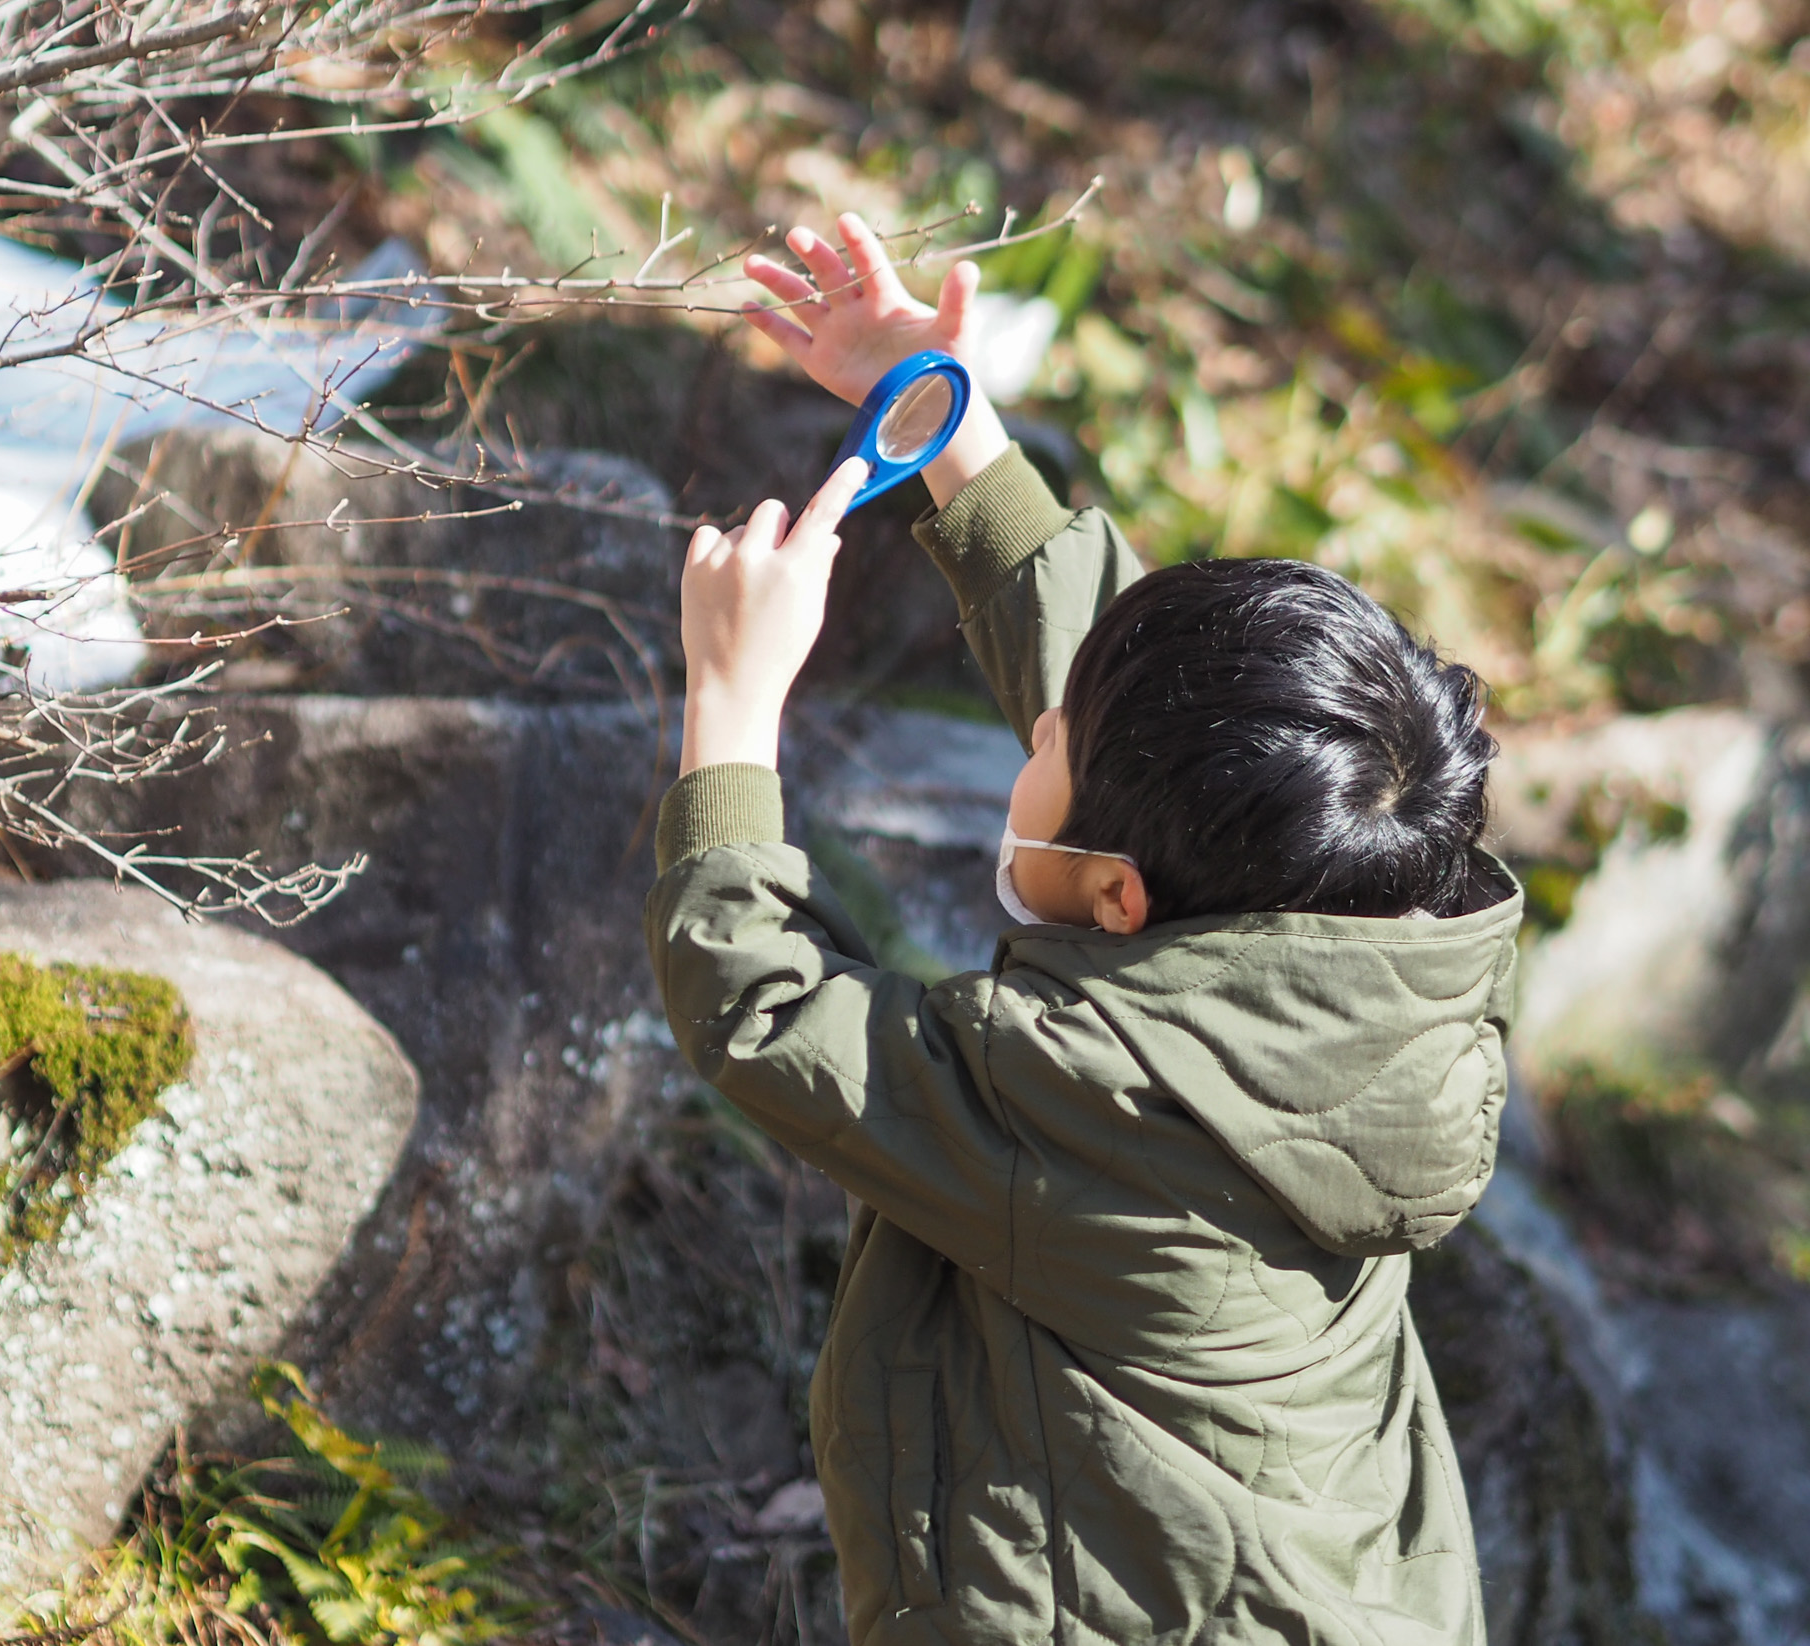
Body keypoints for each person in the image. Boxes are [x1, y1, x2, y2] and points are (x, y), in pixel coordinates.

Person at [645, 214, 1522, 1646]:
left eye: (1050, 746)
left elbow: (760, 1008)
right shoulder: (1378, 933)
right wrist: (949, 432)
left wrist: (730, 713)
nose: (1035, 724)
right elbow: (1140, 716)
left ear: (1122, 899)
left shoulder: (1090, 1101)